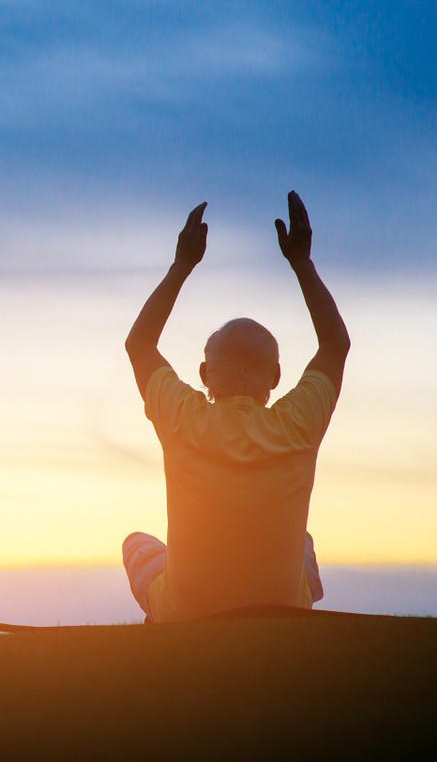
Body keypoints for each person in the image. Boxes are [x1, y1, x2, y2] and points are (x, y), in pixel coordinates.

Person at [121, 191, 350, 622]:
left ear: (206, 375)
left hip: (185, 615)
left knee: (137, 543)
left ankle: (160, 634)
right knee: (302, 542)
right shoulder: (299, 423)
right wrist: (301, 263)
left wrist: (181, 266)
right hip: (282, 614)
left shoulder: (181, 416)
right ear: (277, 378)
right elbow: (336, 344)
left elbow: (139, 344)